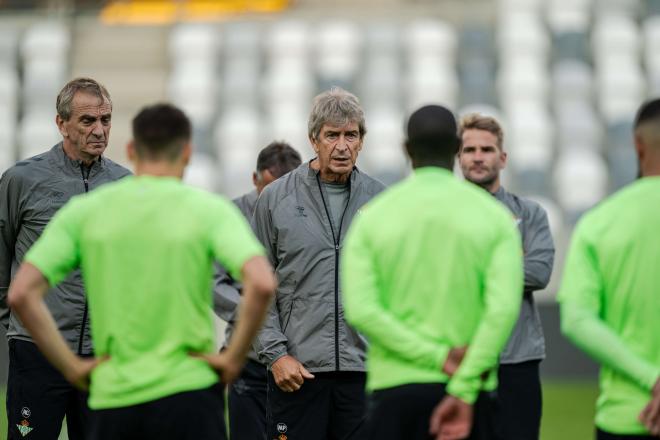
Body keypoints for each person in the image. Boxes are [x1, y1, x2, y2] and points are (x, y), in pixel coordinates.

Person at [7, 103, 276, 440]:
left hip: (116, 392)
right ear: (188, 152)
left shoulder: (86, 212)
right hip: (189, 390)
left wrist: (71, 366)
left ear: (132, 150)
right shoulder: (210, 210)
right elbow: (263, 283)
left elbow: (21, 293)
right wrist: (233, 359)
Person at [342, 104, 524, 440]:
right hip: (470, 391)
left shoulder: (372, 219)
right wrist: (464, 385)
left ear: (406, 150)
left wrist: (436, 357)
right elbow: (501, 310)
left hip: (395, 389)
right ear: (457, 148)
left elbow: (361, 310)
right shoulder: (495, 218)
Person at [0, 77, 131, 439]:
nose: (99, 130)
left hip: (103, 353)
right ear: (61, 124)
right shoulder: (21, 180)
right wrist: (17, 324)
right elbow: (2, 253)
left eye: (106, 120)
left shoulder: (126, 186)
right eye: (88, 121)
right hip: (37, 349)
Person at [252, 87, 385, 440]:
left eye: (350, 135)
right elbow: (256, 285)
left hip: (365, 374)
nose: (342, 146)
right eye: (332, 135)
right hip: (297, 373)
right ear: (314, 139)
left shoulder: (383, 202)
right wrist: (276, 354)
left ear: (362, 140)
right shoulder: (275, 198)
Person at [558, 98, 660, 439]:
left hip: (627, 416)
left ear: (636, 145)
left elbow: (576, 319)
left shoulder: (599, 222)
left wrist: (651, 378)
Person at [458, 113, 555, 440]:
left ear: (503, 157)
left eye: (486, 149)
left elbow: (539, 273)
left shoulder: (530, 213)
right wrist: (511, 260)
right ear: (458, 157)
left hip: (518, 361)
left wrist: (469, 267)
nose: (478, 157)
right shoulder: (446, 214)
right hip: (460, 359)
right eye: (469, 149)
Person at [213, 140, 302, 440]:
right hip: (248, 358)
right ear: (255, 179)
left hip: (295, 360)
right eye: (269, 186)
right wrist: (256, 314)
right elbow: (211, 282)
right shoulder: (232, 215)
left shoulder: (305, 216)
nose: (276, 196)